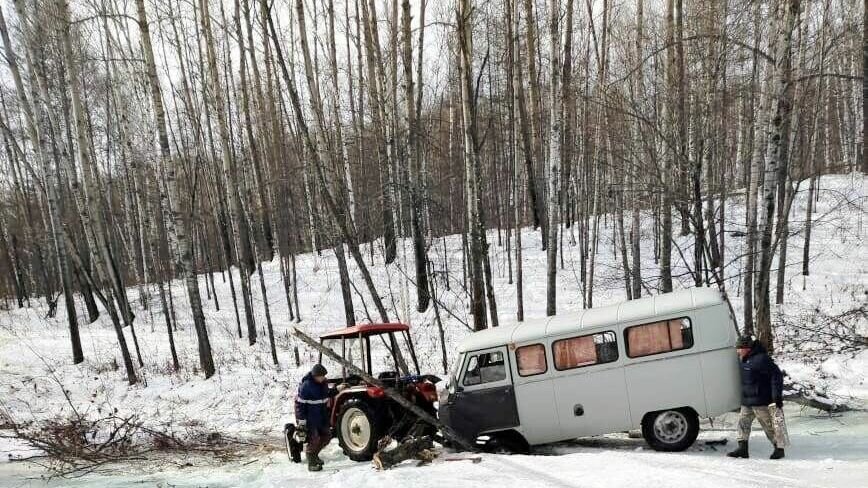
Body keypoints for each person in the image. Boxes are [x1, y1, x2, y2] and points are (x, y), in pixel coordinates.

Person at [727, 335, 786, 460]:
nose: (737, 351)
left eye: (739, 348)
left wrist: (776, 396)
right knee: (743, 423)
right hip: (747, 400)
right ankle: (742, 449)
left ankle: (779, 449)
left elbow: (777, 376)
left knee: (768, 426)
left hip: (761, 400)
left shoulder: (761, 359)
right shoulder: (743, 358)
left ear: (747, 348)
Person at [295, 364, 335, 471]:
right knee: (314, 439)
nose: (323, 378)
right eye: (321, 376)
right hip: (309, 418)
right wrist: (301, 421)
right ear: (315, 376)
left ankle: (315, 455)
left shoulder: (323, 384)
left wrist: (337, 390)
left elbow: (326, 395)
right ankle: (311, 463)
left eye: (324, 376)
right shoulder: (306, 386)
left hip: (321, 416)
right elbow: (300, 405)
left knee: (327, 436)